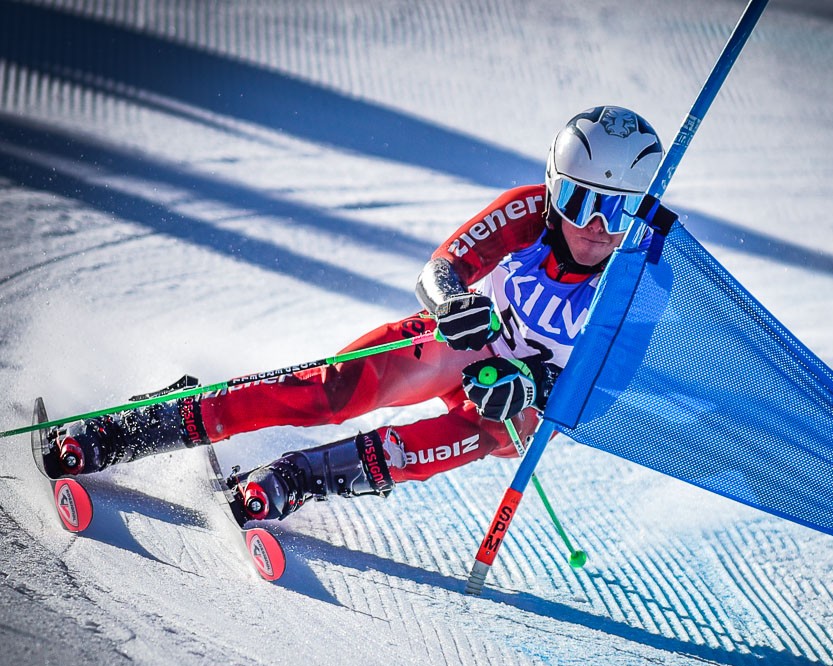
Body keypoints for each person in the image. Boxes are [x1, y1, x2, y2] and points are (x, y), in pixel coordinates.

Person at [45, 106, 664, 521]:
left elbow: (607, 389)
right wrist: (453, 303)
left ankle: (297, 477)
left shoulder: (644, 276)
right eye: (579, 200)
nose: (596, 227)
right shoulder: (526, 213)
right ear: (553, 188)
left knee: (496, 431)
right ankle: (140, 425)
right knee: (334, 390)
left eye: (618, 210)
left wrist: (534, 383)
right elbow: (438, 271)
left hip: (520, 394)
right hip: (468, 343)